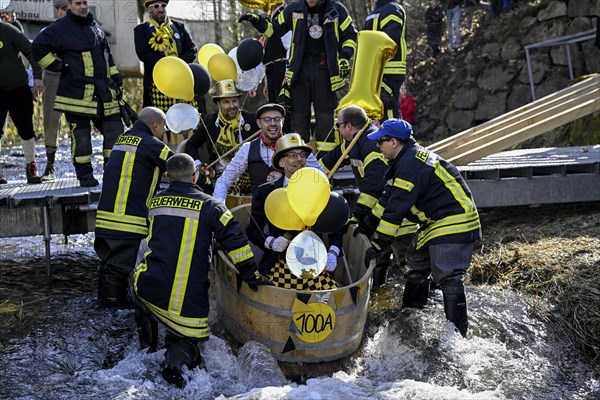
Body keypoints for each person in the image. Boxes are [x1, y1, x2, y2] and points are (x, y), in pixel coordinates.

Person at [131, 153, 270, 388]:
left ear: (167, 177)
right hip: (185, 299)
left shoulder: (154, 203)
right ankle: (173, 366)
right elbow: (237, 245)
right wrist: (252, 276)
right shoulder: (213, 207)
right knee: (188, 341)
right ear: (195, 175)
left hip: (146, 284)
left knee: (143, 305)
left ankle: (147, 348)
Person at [363, 118, 481, 337]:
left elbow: (396, 209)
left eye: (381, 141)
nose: (377, 146)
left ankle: (457, 336)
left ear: (394, 142)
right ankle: (410, 314)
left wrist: (379, 242)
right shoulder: (405, 160)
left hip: (454, 221)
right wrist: (367, 223)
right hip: (436, 222)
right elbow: (388, 199)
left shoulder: (410, 165)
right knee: (416, 264)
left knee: (449, 275)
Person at [239, 0, 358, 156]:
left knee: (325, 120)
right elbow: (274, 30)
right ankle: (301, 161)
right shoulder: (294, 9)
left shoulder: (336, 10)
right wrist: (259, 22)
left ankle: (326, 165)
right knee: (299, 120)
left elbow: (350, 36)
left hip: (326, 72)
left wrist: (344, 57)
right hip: (299, 73)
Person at [320, 105, 417, 286]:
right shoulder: (353, 143)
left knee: (408, 263)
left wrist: (358, 215)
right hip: (379, 216)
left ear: (348, 126)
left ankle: (419, 304)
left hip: (400, 219)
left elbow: (374, 187)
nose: (337, 129)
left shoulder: (373, 145)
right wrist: (312, 179)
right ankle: (381, 294)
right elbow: (327, 162)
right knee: (378, 260)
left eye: (338, 125)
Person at [32, 0, 124, 187]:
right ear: (69, 5)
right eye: (78, 3)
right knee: (81, 138)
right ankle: (85, 175)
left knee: (115, 130)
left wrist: (116, 79)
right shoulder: (60, 28)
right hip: (76, 96)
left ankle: (112, 172)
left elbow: (108, 58)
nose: (82, 7)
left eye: (85, 3)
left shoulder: (95, 27)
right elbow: (37, 48)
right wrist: (57, 65)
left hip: (103, 94)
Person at [94, 107, 174, 308]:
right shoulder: (153, 144)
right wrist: (203, 176)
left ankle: (107, 304)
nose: (164, 131)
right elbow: (180, 167)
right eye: (163, 127)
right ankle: (113, 308)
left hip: (105, 218)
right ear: (155, 125)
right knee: (119, 267)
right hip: (128, 220)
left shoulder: (123, 139)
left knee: (108, 265)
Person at [247, 133, 341, 289]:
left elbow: (335, 226)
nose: (299, 159)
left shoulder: (319, 189)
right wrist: (270, 242)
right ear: (282, 162)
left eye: (302, 155)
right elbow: (252, 230)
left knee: (329, 299)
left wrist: (333, 252)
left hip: (315, 262)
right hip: (278, 262)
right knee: (275, 298)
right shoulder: (266, 192)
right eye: (292, 155)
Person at [212, 103, 322, 202]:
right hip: (259, 216)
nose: (273, 123)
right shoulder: (247, 149)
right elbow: (224, 180)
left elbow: (320, 175)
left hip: (292, 213)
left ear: (282, 122)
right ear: (259, 123)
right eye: (267, 119)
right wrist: (220, 206)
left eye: (277, 119)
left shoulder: (297, 145)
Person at [134, 0, 201, 148]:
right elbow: (143, 54)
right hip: (159, 85)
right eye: (156, 6)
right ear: (149, 9)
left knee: (185, 118)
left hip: (182, 82)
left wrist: (178, 65)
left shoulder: (178, 27)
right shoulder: (141, 30)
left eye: (163, 6)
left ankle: (188, 149)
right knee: (162, 120)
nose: (161, 9)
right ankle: (164, 152)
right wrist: (166, 67)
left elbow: (192, 49)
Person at [181, 80, 258, 193]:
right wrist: (199, 165)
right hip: (221, 175)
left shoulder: (252, 119)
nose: (232, 106)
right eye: (226, 102)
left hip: (250, 175)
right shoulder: (209, 121)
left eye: (234, 101)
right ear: (218, 104)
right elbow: (191, 144)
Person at [0, 15, 44, 184]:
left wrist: (38, 78)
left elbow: (31, 51)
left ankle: (31, 167)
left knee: (26, 129)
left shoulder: (8, 30)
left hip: (18, 88)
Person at [39, 0, 69, 181]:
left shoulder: (85, 29)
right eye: (63, 9)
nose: (67, 11)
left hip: (77, 78)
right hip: (54, 77)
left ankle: (84, 166)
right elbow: (37, 53)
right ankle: (50, 165)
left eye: (69, 7)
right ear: (58, 12)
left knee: (81, 120)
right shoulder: (48, 32)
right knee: (51, 120)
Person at [364, 0, 407, 121]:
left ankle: (395, 138)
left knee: (388, 107)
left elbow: (391, 38)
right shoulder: (377, 11)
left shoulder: (392, 9)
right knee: (382, 109)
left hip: (390, 68)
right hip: (377, 69)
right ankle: (388, 138)